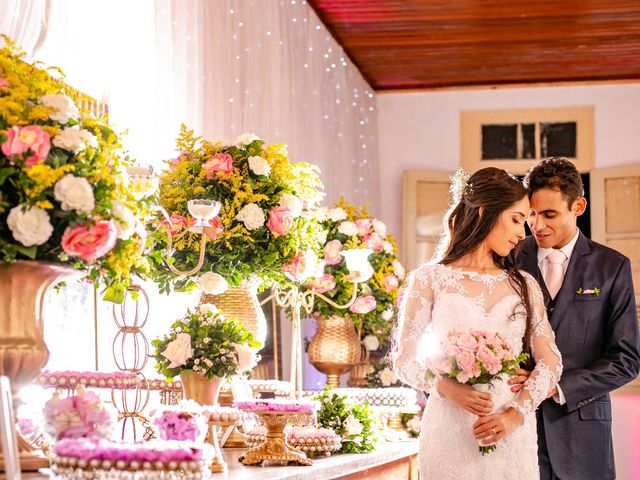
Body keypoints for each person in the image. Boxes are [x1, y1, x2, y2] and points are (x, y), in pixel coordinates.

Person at [391, 167, 562, 479]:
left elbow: (551, 361)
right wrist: (444, 387)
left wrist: (516, 413)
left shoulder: (524, 284)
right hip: (449, 435)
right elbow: (403, 359)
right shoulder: (430, 279)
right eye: (515, 218)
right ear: (485, 211)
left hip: (511, 438)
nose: (522, 232)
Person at [512, 157, 640, 480]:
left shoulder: (612, 267)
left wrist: (555, 386)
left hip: (585, 441)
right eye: (531, 214)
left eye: (549, 214)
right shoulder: (510, 259)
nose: (537, 225)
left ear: (578, 206)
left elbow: (627, 359)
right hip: (518, 434)